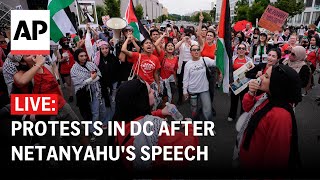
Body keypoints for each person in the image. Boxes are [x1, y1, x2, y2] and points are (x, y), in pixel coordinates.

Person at [113, 79, 198, 173]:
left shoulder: (121, 120)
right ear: (141, 99)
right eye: (149, 91)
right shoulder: (154, 128)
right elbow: (189, 148)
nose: (153, 91)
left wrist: (160, 112)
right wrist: (190, 127)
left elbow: (138, 119)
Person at [234, 64, 302, 169]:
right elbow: (248, 108)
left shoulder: (280, 115)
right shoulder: (267, 97)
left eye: (266, 76)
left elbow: (276, 159)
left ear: (277, 84)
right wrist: (251, 93)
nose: (260, 77)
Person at [71, 48, 109, 140]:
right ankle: (92, 130)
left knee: (102, 109)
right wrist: (92, 79)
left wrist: (91, 79)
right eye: (81, 56)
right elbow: (80, 83)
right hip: (86, 94)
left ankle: (101, 124)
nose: (84, 58)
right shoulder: (74, 69)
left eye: (85, 55)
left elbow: (99, 75)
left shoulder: (91, 64)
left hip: (98, 90)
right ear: (76, 57)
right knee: (93, 112)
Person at [121, 37, 161, 109]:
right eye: (146, 43)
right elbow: (123, 50)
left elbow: (156, 74)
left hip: (151, 85)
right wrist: (128, 39)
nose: (149, 45)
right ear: (142, 46)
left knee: (152, 105)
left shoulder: (155, 58)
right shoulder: (137, 56)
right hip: (140, 85)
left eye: (150, 43)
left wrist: (158, 85)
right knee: (140, 105)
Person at [183, 44, 216, 121]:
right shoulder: (188, 64)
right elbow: (185, 79)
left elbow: (216, 63)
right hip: (192, 90)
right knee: (194, 110)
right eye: (194, 50)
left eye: (198, 49)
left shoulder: (205, 60)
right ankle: (195, 126)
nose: (196, 51)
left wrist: (217, 54)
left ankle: (208, 126)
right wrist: (185, 91)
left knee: (207, 109)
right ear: (191, 52)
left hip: (204, 90)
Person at [94, 40, 121, 121]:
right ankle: (106, 120)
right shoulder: (97, 60)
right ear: (100, 50)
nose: (105, 50)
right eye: (102, 49)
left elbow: (118, 71)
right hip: (102, 85)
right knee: (105, 103)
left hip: (114, 83)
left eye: (106, 48)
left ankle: (113, 119)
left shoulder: (114, 58)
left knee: (113, 102)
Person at [228, 43, 253, 122]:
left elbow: (252, 72)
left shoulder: (249, 60)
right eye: (239, 48)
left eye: (243, 48)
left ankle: (242, 117)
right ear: (237, 50)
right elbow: (230, 72)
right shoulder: (232, 59)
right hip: (235, 83)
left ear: (245, 50)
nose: (241, 50)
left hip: (245, 84)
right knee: (234, 100)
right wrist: (229, 82)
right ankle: (232, 115)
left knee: (244, 101)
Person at [175, 31, 199, 104]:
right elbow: (175, 47)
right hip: (182, 64)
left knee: (191, 81)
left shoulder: (194, 43)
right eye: (185, 35)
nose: (186, 37)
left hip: (191, 64)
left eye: (188, 36)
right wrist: (182, 40)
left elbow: (196, 50)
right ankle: (180, 97)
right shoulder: (181, 43)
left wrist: (190, 43)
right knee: (180, 82)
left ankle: (190, 96)